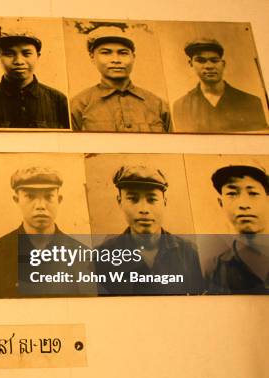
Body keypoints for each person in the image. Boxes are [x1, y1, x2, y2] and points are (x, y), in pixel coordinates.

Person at [0, 167, 95, 298]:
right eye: (30, 196)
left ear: (59, 200)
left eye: (48, 197)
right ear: (16, 200)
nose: (40, 205)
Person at [95, 165, 205, 295]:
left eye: (152, 199)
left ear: (164, 202)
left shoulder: (188, 252)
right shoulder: (102, 256)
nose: (144, 209)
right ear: (119, 201)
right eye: (133, 199)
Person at [70, 26, 171, 132]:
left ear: (133, 57)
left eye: (123, 53)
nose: (116, 60)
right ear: (92, 57)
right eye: (106, 52)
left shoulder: (158, 104)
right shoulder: (78, 105)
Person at [0, 29, 70, 129]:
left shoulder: (58, 100)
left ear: (38, 56)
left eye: (26, 53)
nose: (19, 61)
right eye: (9, 54)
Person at [173, 38, 268, 132]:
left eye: (214, 60)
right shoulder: (181, 106)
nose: (209, 66)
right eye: (201, 60)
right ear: (191, 64)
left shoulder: (251, 102)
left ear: (223, 64)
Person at [208, 162, 268, 294]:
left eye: (253, 193)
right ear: (220, 203)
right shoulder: (214, 269)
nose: (244, 204)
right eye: (232, 193)